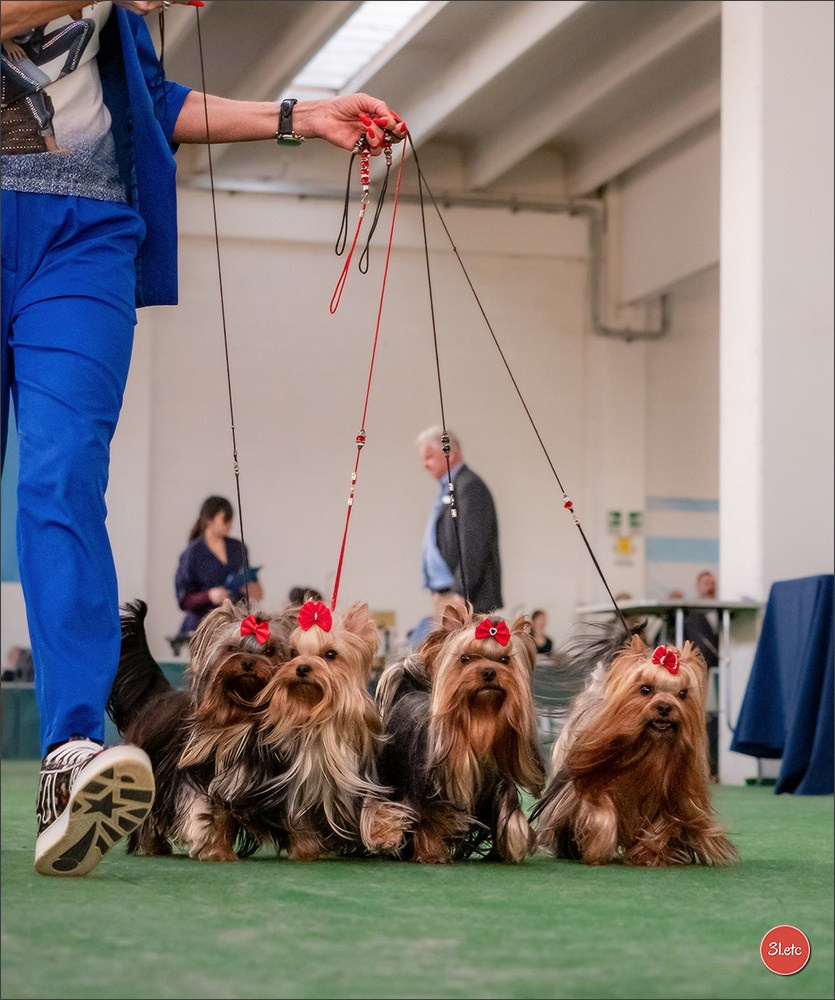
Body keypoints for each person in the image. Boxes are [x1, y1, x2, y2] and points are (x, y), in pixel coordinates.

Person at [1, 0, 407, 876]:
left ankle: (70, 756)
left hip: (83, 235)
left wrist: (300, 115)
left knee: (64, 479)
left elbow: (153, 100)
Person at [416, 426, 502, 614]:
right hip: (447, 594)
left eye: (429, 456)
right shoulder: (450, 488)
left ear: (450, 454)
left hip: (465, 598)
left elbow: (474, 544)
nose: (425, 464)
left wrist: (461, 590)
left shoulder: (470, 487)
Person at [174, 495, 263, 632]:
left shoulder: (238, 548)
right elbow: (183, 600)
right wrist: (209, 595)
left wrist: (253, 589)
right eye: (225, 519)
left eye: (230, 520)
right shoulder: (192, 554)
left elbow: (249, 580)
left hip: (236, 624)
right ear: (209, 521)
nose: (230, 524)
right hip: (204, 627)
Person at [684, 569, 720, 668]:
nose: (710, 586)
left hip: (716, 665)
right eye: (706, 583)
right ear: (698, 587)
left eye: (713, 583)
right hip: (698, 664)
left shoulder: (721, 612)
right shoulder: (690, 615)